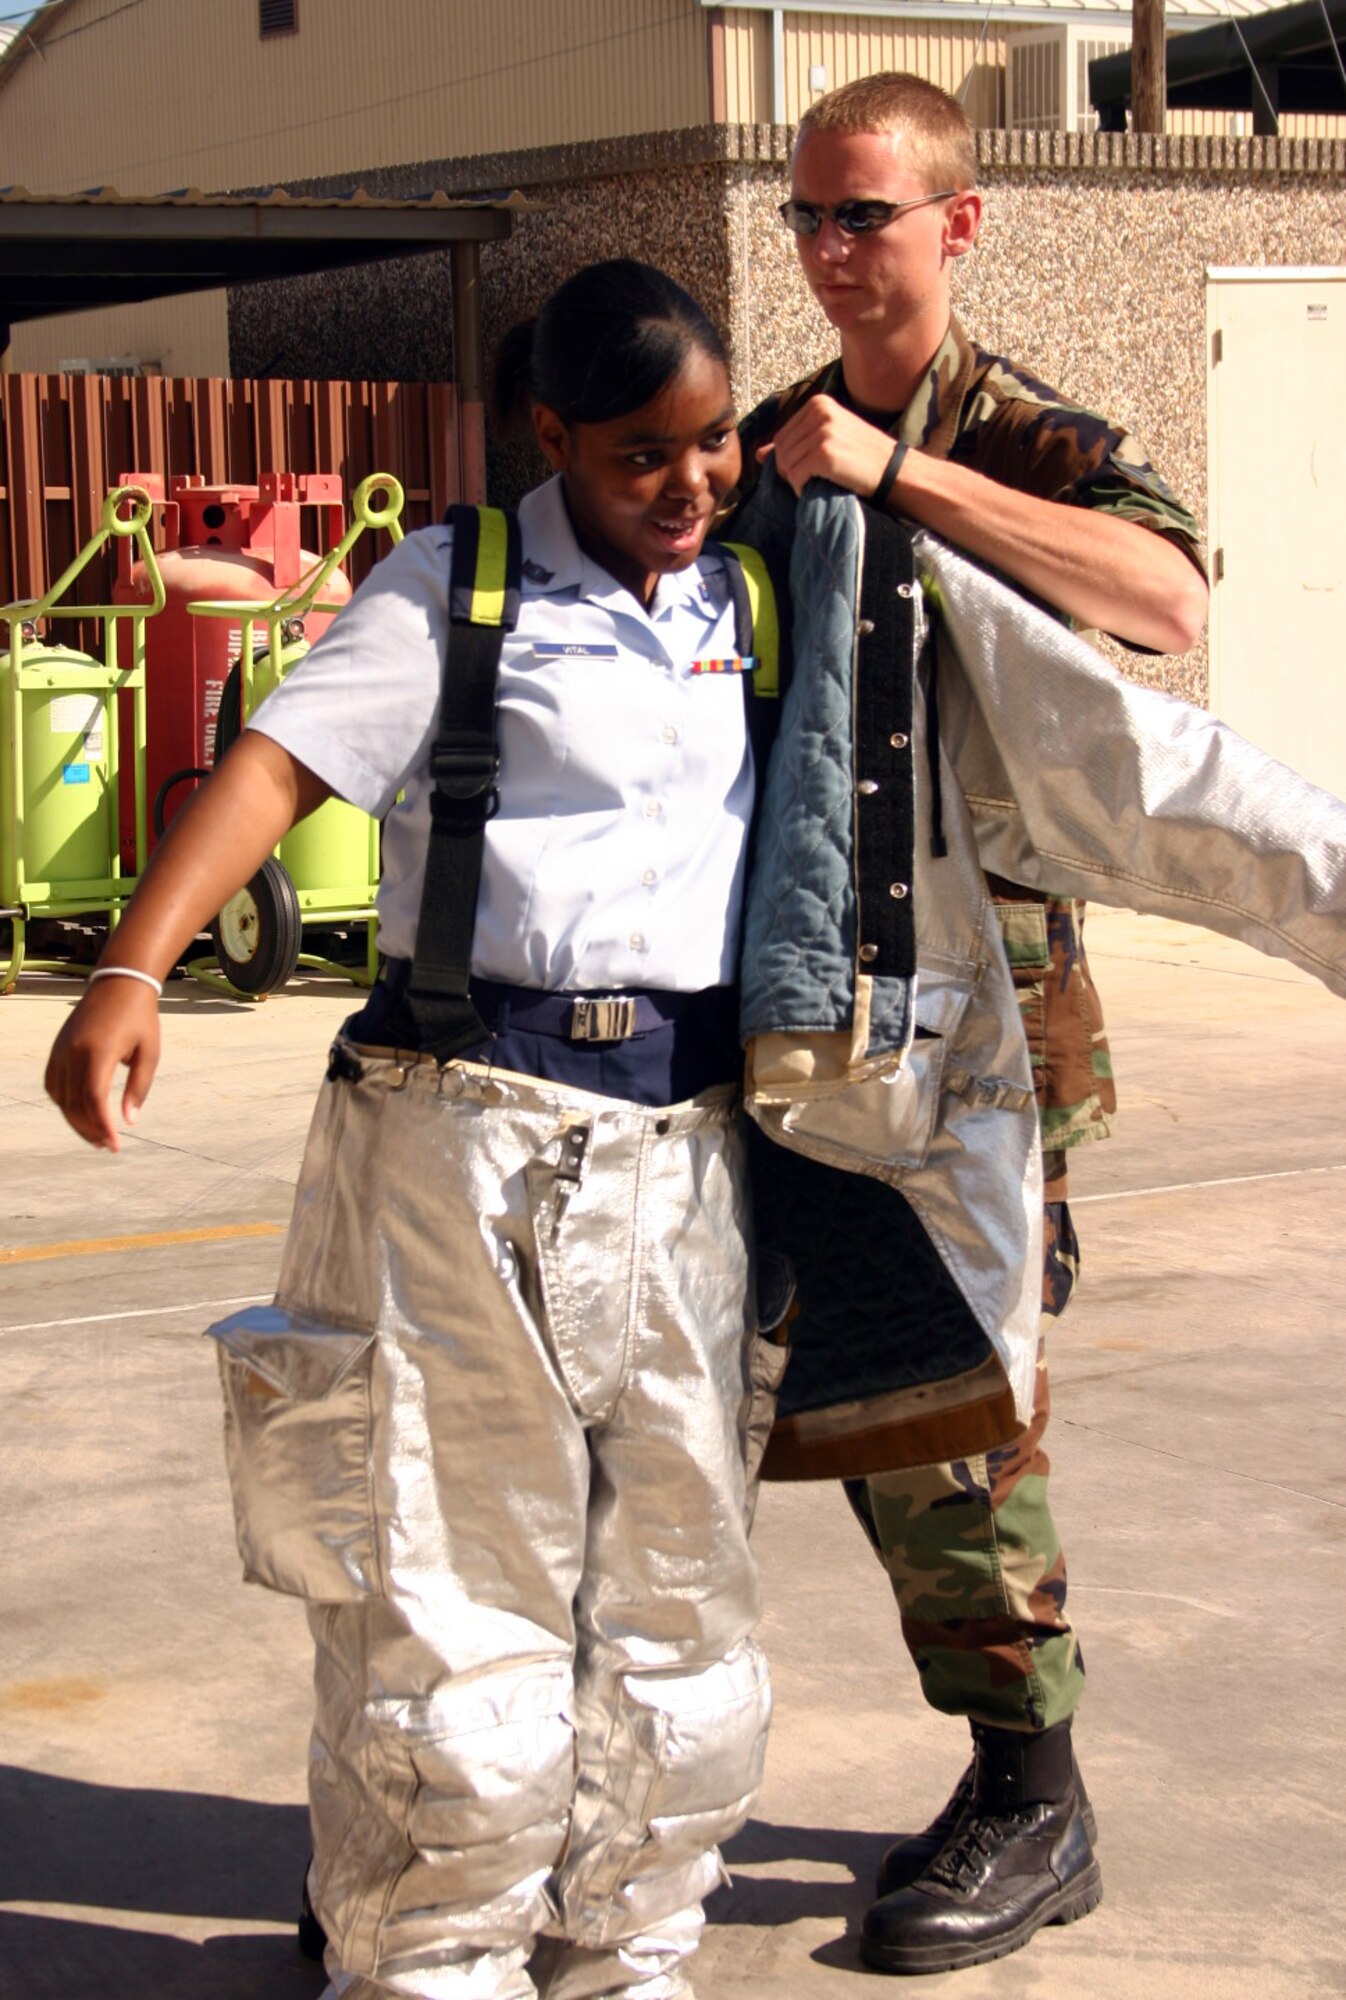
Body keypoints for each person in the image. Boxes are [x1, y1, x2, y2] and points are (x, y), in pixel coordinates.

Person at [45, 259, 781, 2000]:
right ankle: (431, 1957)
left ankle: (624, 1947)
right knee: (449, 1592)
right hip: (464, 1141)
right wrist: (131, 968)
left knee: (676, 1591)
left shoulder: (744, 598)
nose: (685, 489)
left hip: (688, 1151)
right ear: (552, 436)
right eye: (639, 457)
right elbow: (278, 769)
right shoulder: (463, 590)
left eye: (714, 448)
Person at [727, 72, 1209, 1973]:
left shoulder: (1026, 436)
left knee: (955, 1427)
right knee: (808, 1402)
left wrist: (900, 476)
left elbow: (1165, 601)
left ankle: (1032, 1794)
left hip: (988, 1035)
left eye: (866, 215)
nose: (834, 252)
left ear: (959, 222)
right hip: (796, 1001)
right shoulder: (769, 442)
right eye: (808, 220)